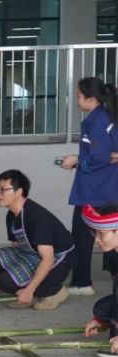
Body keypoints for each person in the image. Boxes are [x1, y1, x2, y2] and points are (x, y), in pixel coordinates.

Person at [59, 77, 118, 296]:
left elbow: (100, 156)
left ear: (91, 98)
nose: (76, 99)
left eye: (78, 95)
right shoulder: (104, 117)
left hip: (95, 189)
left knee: (82, 236)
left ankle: (82, 282)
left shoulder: (99, 121)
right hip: (104, 187)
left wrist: (76, 161)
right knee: (109, 235)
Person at [0, 170, 74, 310]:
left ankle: (53, 292)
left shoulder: (36, 217)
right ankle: (25, 291)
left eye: (3, 189)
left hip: (58, 258)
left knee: (6, 282)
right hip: (31, 254)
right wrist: (5, 274)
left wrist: (27, 288)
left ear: (19, 192)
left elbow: (48, 259)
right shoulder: (11, 215)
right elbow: (17, 246)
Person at [82, 204, 118, 357]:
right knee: (102, 309)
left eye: (102, 234)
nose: (97, 240)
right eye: (95, 233)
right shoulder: (113, 254)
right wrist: (100, 320)